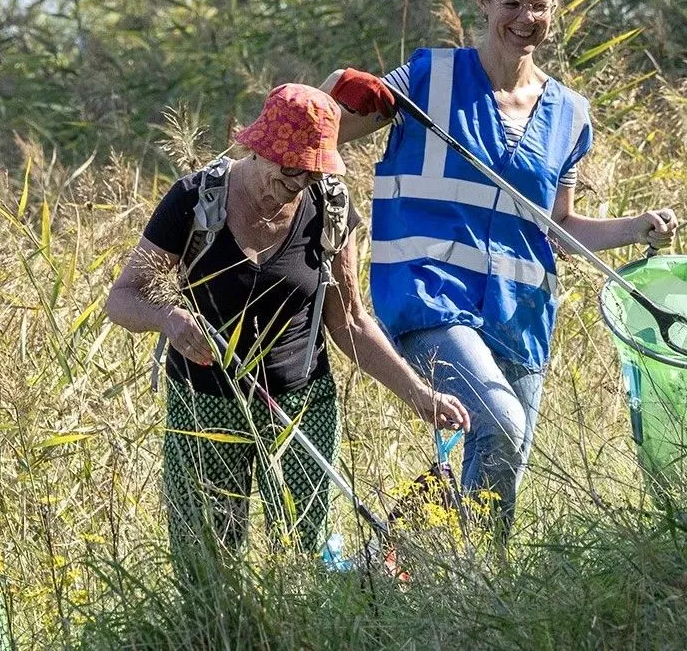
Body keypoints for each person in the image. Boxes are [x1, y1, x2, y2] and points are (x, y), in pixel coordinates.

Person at [324, 0, 678, 541]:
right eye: (511, 2)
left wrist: (637, 227)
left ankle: (462, 578)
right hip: (429, 298)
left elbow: (560, 229)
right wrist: (332, 98)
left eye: (538, 4)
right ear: (483, 2)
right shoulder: (429, 77)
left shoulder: (571, 113)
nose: (525, 18)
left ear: (554, 9)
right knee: (502, 423)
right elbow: (323, 129)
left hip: (521, 314)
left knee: (499, 461)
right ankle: (455, 572)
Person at [105, 83, 470, 579]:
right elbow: (123, 298)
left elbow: (351, 322)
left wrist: (419, 395)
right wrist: (169, 319)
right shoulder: (196, 199)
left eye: (312, 170)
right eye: (289, 167)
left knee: (302, 559)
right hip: (205, 402)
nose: (298, 181)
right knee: (207, 564)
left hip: (302, 405)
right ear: (260, 148)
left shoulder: (330, 208)